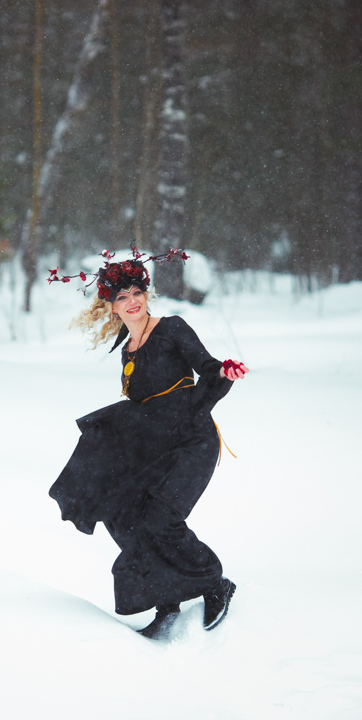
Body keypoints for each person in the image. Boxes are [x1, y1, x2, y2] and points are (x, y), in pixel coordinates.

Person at [48, 249, 249, 640]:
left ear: (146, 293)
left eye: (136, 291)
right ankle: (166, 601)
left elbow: (206, 366)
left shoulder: (172, 328)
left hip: (192, 441)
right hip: (155, 447)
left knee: (161, 519)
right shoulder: (126, 351)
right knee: (123, 514)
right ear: (112, 307)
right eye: (122, 297)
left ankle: (214, 584)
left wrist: (224, 371)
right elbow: (141, 406)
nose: (132, 300)